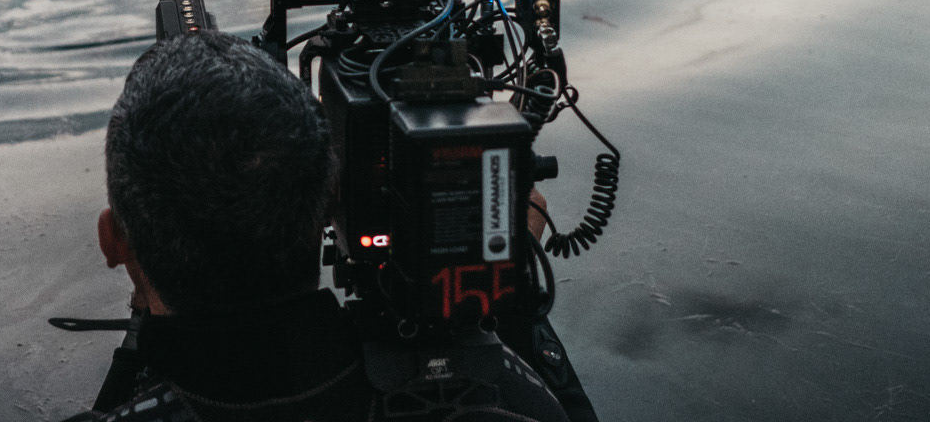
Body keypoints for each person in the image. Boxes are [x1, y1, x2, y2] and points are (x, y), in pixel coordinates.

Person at [64, 30, 569, 422]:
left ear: (114, 242)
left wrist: (142, 327)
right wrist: (500, 289)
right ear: (332, 203)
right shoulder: (497, 405)